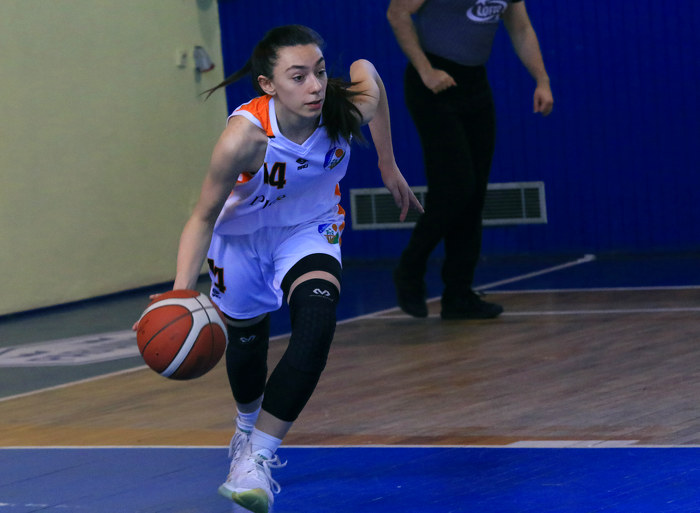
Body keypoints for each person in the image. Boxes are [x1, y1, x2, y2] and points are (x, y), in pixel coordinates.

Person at [135, 25, 422, 513]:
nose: (315, 86)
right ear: (268, 85)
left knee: (316, 326)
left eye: (320, 72)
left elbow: (368, 73)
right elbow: (203, 216)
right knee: (247, 348)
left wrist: (387, 163)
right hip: (241, 240)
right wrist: (181, 293)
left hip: (308, 229)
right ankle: (245, 430)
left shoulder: (343, 110)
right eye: (298, 76)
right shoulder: (243, 139)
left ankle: (258, 457)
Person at [387, 0, 554, 319]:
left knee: (474, 194)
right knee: (455, 189)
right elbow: (397, 13)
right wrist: (426, 70)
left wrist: (542, 80)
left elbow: (521, 28)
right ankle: (410, 269)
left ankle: (458, 294)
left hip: (475, 85)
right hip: (433, 86)